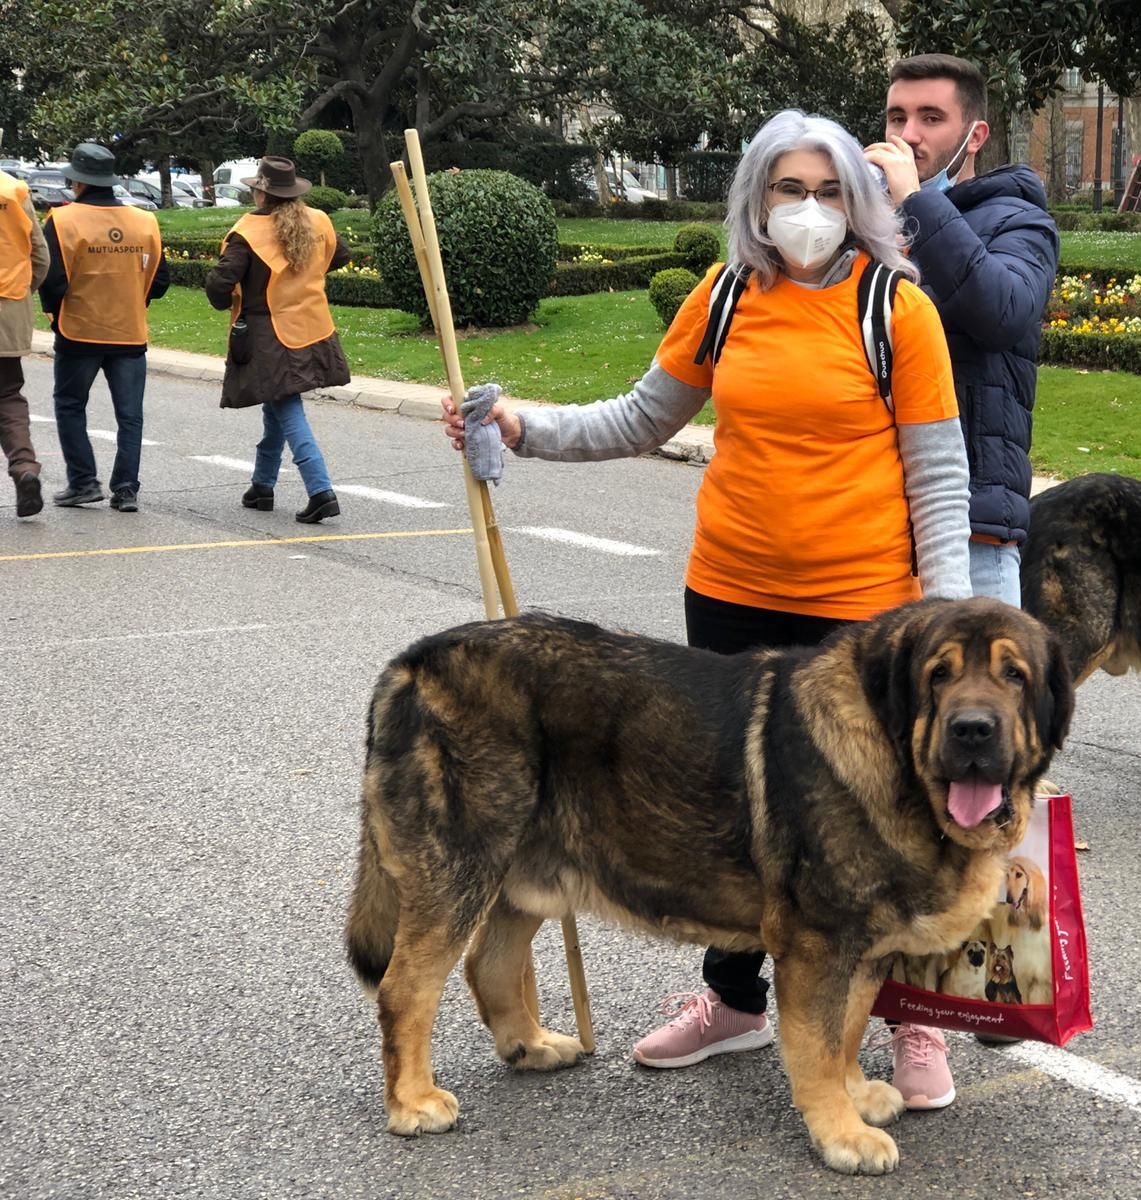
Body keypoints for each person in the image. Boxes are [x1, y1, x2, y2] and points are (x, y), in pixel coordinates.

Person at [443, 109, 973, 1110]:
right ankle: (734, 1005)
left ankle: (913, 1024)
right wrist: (522, 426)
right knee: (731, 817)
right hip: (728, 602)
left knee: (888, 829)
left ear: (857, 203)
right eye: (788, 190)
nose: (808, 210)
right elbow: (641, 415)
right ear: (756, 200)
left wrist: (946, 624)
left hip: (865, 626)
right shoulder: (727, 294)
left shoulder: (896, 309)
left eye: (827, 191)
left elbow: (939, 475)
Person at [866, 53, 1060, 607]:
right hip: (870, 514)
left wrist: (917, 202)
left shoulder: (1019, 220)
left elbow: (1003, 311)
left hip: (971, 522)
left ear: (974, 136)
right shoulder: (869, 226)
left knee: (974, 694)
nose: (908, 136)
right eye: (896, 117)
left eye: (931, 118)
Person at [204, 156, 349, 523]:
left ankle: (321, 490)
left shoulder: (249, 232)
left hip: (270, 334)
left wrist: (227, 299)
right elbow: (340, 255)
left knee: (286, 406)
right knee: (277, 404)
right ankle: (262, 485)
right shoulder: (318, 220)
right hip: (314, 326)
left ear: (261, 193)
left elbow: (222, 283)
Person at [39, 142, 169, 512]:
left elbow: (51, 281)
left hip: (79, 330)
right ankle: (126, 489)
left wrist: (56, 317)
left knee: (69, 405)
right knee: (130, 416)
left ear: (77, 183)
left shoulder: (62, 221)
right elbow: (159, 283)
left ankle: (83, 481)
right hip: (129, 332)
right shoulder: (145, 222)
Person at [0, 162, 48, 518]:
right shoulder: (14, 190)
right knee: (8, 395)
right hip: (8, 307)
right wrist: (20, 294)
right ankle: (24, 467)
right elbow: (39, 255)